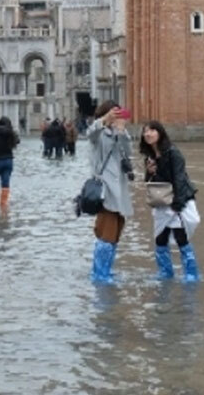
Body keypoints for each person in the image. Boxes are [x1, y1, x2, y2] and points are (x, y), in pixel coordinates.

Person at [140, 121, 201, 282]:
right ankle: (165, 273)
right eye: (145, 131)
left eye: (152, 130)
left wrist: (178, 205)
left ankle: (191, 275)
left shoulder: (174, 153)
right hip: (161, 203)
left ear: (160, 133)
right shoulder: (150, 157)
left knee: (181, 238)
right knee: (160, 239)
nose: (148, 134)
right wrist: (149, 172)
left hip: (177, 202)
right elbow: (150, 182)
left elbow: (180, 179)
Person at [85, 101, 133, 285]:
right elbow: (90, 134)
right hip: (105, 191)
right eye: (114, 114)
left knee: (116, 232)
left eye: (118, 114)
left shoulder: (121, 133)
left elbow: (127, 154)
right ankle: (100, 275)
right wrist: (105, 120)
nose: (117, 118)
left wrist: (121, 132)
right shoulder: (98, 132)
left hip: (120, 191)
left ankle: (106, 271)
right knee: (106, 232)